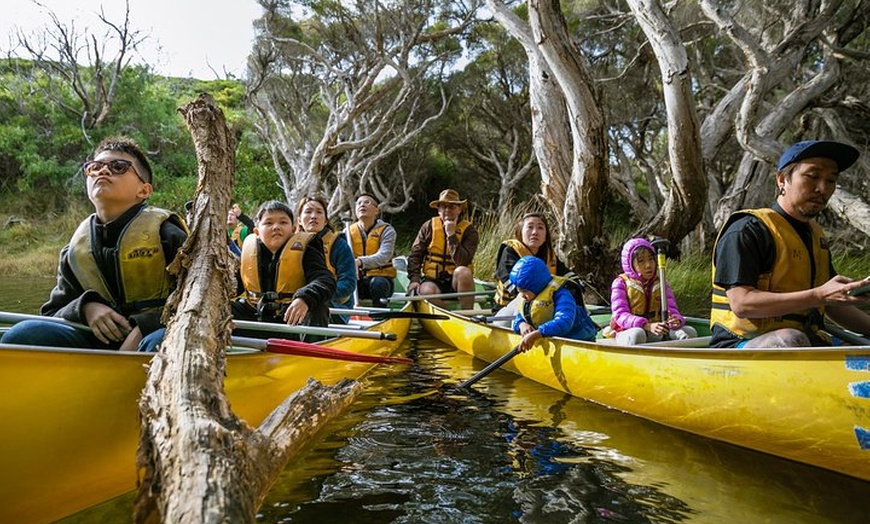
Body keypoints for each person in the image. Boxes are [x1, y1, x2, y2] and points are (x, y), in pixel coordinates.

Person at [1, 136, 187, 352]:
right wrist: (86, 307)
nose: (103, 171)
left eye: (118, 167)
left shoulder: (167, 233)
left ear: (144, 191)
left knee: (161, 341)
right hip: (101, 341)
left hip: (157, 333)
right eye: (95, 167)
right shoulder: (75, 250)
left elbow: (203, 298)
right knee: (24, 334)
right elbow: (52, 313)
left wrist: (145, 326)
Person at [711, 140, 870, 348]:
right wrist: (818, 295)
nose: (822, 188)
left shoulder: (814, 236)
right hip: (742, 344)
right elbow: (742, 303)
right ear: (782, 180)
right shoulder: (748, 229)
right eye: (812, 177)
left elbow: (832, 305)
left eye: (831, 180)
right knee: (790, 339)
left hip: (804, 340)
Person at [232, 200, 335, 331]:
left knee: (316, 307)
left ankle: (309, 349)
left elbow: (325, 280)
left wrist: (304, 298)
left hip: (292, 321)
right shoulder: (250, 252)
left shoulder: (307, 249)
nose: (276, 227)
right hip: (255, 317)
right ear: (257, 232)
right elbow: (236, 286)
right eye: (268, 223)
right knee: (221, 307)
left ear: (294, 230)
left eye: (283, 222)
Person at [604, 237, 697, 345]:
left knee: (690, 332)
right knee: (638, 334)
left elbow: (672, 310)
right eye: (641, 261)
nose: (648, 265)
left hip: (655, 331)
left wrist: (676, 320)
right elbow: (620, 315)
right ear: (630, 264)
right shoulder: (620, 283)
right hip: (628, 331)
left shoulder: (661, 283)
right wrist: (646, 325)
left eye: (650, 259)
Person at [493, 212, 579, 319]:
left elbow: (567, 276)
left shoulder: (549, 255)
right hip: (510, 309)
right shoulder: (510, 252)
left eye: (540, 228)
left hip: (541, 307)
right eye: (530, 227)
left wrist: (577, 288)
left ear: (545, 235)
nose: (535, 232)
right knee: (523, 295)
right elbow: (513, 286)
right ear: (520, 232)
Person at [407, 188, 480, 310]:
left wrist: (451, 235)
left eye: (451, 207)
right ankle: (449, 315)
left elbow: (462, 261)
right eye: (443, 207)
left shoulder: (470, 231)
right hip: (433, 279)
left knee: (463, 271)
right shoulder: (429, 226)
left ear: (459, 209)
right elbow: (415, 255)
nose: (447, 210)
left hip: (456, 282)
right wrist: (415, 279)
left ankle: (467, 313)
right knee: (425, 291)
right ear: (438, 210)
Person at [509, 256, 598, 352]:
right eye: (519, 290)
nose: (521, 295)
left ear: (536, 286)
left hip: (578, 341)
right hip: (551, 338)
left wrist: (539, 333)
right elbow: (521, 315)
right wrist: (521, 324)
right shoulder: (530, 296)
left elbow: (564, 321)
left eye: (524, 291)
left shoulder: (562, 294)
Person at [295, 195, 356, 321]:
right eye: (308, 212)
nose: (313, 216)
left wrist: (313, 295)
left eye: (319, 212)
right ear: (299, 220)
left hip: (334, 307)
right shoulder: (291, 244)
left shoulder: (339, 245)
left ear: (326, 221)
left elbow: (349, 283)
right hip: (295, 301)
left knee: (317, 307)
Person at [348, 192, 397, 308]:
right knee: (342, 283)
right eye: (359, 203)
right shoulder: (348, 232)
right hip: (357, 279)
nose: (362, 205)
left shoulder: (387, 231)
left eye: (367, 202)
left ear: (377, 211)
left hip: (381, 279)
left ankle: (380, 318)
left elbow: (384, 256)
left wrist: (359, 261)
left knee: (378, 283)